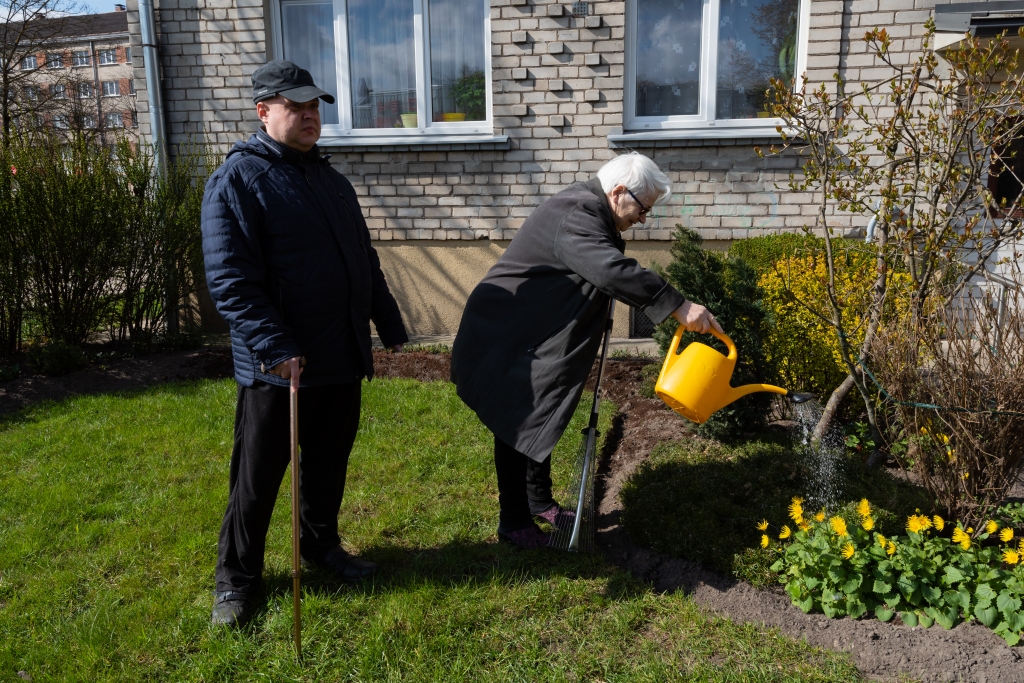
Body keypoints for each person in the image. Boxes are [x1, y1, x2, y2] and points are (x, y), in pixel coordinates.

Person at [201, 60, 408, 627]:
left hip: (339, 354)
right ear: (264, 111)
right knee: (257, 478)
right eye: (297, 106)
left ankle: (320, 545)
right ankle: (237, 581)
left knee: (328, 466)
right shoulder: (238, 180)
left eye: (315, 106)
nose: (311, 116)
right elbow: (229, 277)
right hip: (279, 368)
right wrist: (274, 345)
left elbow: (362, 262)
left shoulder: (331, 180)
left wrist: (388, 326)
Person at [451, 152, 722, 548]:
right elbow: (610, 269)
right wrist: (678, 306)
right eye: (643, 209)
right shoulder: (575, 214)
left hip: (531, 332)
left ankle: (539, 503)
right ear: (617, 192)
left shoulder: (593, 212)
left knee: (540, 413)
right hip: (504, 332)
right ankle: (513, 523)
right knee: (516, 421)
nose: (643, 219)